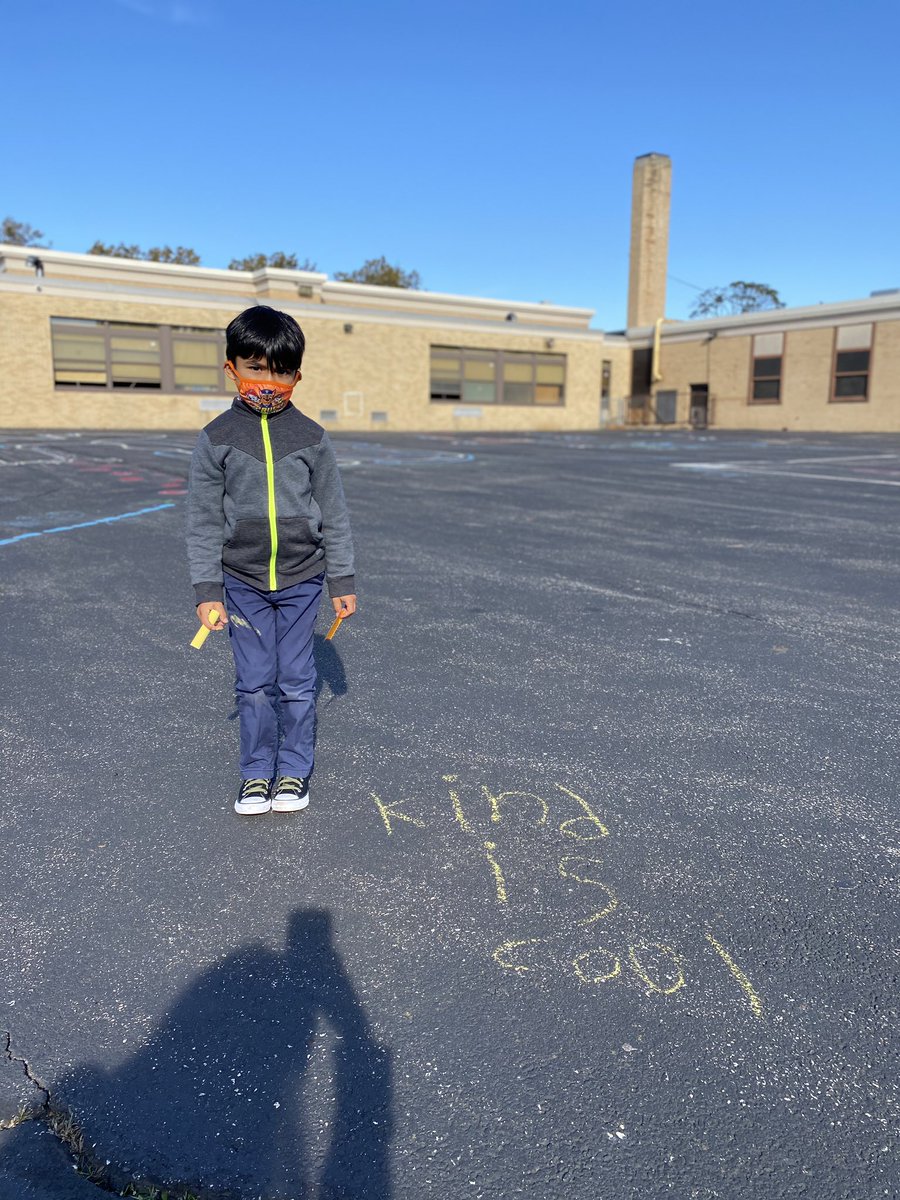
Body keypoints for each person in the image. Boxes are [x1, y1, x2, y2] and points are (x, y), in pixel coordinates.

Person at [187, 305, 356, 815]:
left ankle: (294, 772)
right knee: (256, 682)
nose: (268, 380)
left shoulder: (311, 438)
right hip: (242, 582)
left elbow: (335, 511)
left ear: (297, 375)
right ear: (231, 368)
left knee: (298, 681)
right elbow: (202, 521)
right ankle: (257, 773)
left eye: (281, 371)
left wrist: (342, 579)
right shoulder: (216, 438)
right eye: (255, 367)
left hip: (304, 579)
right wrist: (206, 592)